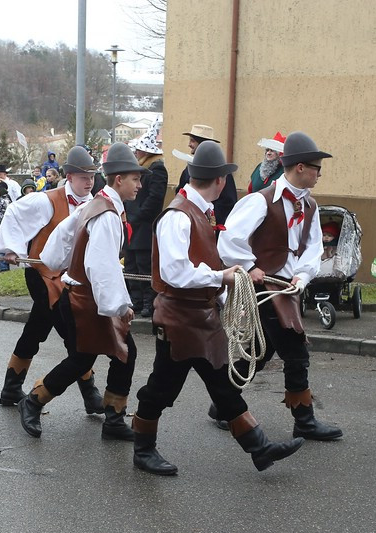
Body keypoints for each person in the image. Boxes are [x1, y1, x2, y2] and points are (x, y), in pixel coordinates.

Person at [130, 140, 304, 475]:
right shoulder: (178, 216)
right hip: (179, 320)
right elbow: (175, 272)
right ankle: (143, 449)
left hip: (200, 316)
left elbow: (202, 264)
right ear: (220, 181)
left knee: (222, 385)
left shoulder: (199, 212)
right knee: (161, 388)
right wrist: (223, 277)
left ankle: (260, 448)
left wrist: (225, 301)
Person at [216, 131, 344, 441]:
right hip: (264, 288)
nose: (319, 173)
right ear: (300, 167)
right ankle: (304, 420)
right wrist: (251, 266)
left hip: (288, 288)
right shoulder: (260, 201)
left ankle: (222, 403)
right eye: (316, 167)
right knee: (296, 351)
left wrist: (302, 276)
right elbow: (229, 239)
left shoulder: (310, 206)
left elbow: (312, 248)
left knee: (261, 352)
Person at [17, 142, 144, 441]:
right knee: (89, 358)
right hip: (85, 301)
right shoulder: (107, 213)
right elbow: (101, 266)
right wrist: (119, 306)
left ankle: (111, 418)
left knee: (111, 355)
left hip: (82, 297)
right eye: (135, 178)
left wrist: (55, 263)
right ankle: (33, 401)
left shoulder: (98, 203)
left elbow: (63, 234)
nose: (139, 184)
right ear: (118, 180)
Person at [0, 146, 104, 412]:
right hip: (43, 275)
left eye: (91, 175)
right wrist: (12, 249)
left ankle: (10, 389)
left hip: (70, 279)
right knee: (72, 333)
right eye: (81, 176)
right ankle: (89, 395)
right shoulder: (46, 200)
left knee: (37, 328)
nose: (88, 181)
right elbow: (13, 214)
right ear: (68, 176)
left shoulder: (94, 204)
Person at [124, 120, 167, 318]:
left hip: (145, 227)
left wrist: (138, 216)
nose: (137, 154)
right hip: (134, 225)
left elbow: (155, 199)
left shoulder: (157, 169)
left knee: (144, 266)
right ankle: (136, 301)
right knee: (131, 265)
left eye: (139, 151)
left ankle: (149, 303)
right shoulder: (140, 169)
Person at [174, 124, 239, 225]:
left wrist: (210, 220)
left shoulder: (222, 172)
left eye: (192, 141)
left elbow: (228, 203)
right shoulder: (187, 170)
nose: (189, 144)